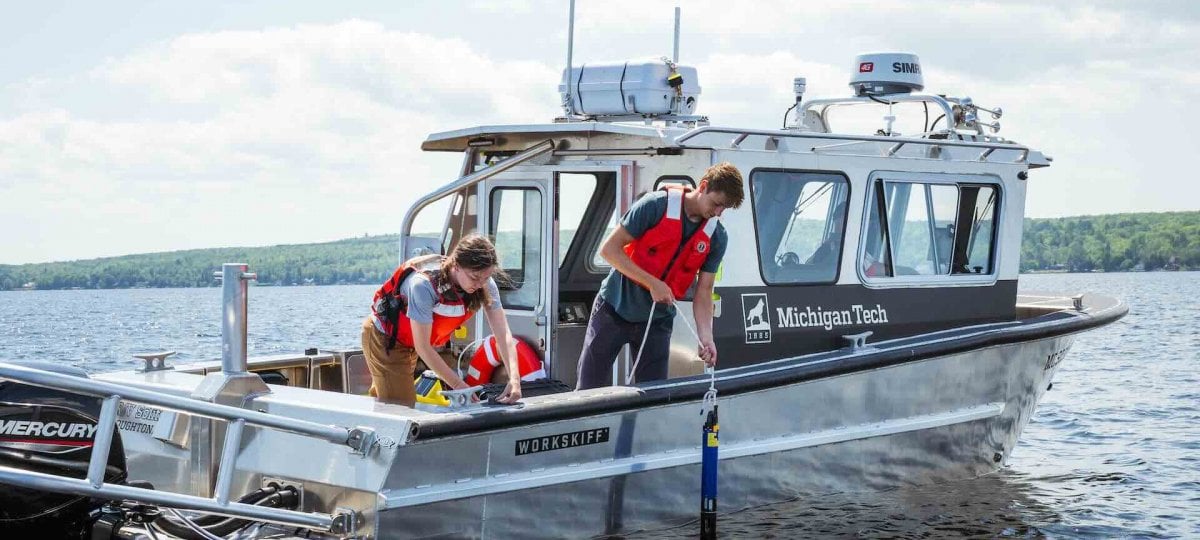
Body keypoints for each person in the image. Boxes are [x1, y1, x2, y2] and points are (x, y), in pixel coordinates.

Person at [575, 162, 745, 390]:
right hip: (613, 308)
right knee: (588, 389)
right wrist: (652, 283)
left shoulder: (717, 237)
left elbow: (704, 292)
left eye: (723, 209)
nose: (717, 213)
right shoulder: (653, 206)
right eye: (716, 204)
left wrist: (706, 337)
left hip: (657, 321)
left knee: (654, 395)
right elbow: (609, 250)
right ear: (703, 186)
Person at [361, 234, 522, 407]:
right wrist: (459, 385)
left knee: (388, 392)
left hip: (411, 341)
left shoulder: (485, 283)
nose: (480, 284)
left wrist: (514, 378)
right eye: (474, 278)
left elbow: (503, 333)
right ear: (456, 265)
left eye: (485, 277)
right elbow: (423, 347)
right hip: (385, 338)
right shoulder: (423, 286)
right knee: (402, 407)